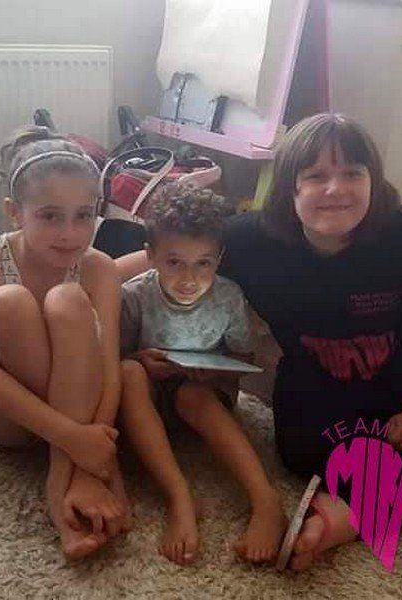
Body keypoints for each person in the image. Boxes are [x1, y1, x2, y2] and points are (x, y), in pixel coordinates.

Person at [116, 113, 402, 570]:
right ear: (290, 187)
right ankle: (379, 500)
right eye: (316, 176)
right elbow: (157, 255)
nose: (335, 189)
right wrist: (85, 277)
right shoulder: (251, 239)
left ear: (374, 181)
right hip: (324, 400)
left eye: (352, 173)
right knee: (318, 458)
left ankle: (354, 517)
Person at [0, 127, 130, 560]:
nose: (69, 233)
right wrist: (76, 439)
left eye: (83, 216)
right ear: (14, 212)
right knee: (9, 301)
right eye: (50, 216)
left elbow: (110, 368)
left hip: (81, 410)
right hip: (7, 416)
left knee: (68, 299)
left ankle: (68, 475)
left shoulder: (100, 268)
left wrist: (89, 451)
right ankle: (61, 486)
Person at [117, 185, 286, 565]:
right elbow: (113, 359)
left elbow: (242, 356)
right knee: (127, 372)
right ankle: (179, 496)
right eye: (174, 262)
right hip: (148, 405)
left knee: (191, 395)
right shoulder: (134, 296)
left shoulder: (229, 297)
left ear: (219, 259)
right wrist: (141, 360)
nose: (189, 279)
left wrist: (215, 375)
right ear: (150, 256)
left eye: (203, 264)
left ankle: (265, 499)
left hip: (204, 398)